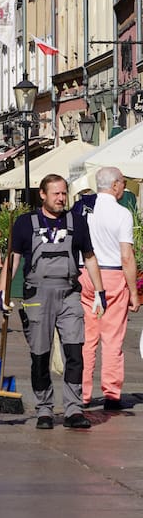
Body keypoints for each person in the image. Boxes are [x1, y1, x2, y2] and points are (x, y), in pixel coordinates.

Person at [0, 173, 105, 430]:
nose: (61, 198)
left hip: (69, 294)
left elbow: (89, 257)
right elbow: (12, 260)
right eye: (55, 193)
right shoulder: (25, 223)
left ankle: (73, 409)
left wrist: (100, 293)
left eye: (63, 193)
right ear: (42, 195)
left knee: (74, 353)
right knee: (40, 355)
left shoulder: (77, 222)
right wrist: (2, 292)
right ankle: (44, 409)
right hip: (37, 296)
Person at [78, 166, 140, 411]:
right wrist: (134, 291)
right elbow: (127, 256)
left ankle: (82, 393)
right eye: (123, 183)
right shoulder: (122, 213)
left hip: (86, 273)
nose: (123, 187)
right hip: (113, 273)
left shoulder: (85, 210)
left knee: (87, 338)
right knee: (112, 338)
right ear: (114, 185)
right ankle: (111, 393)